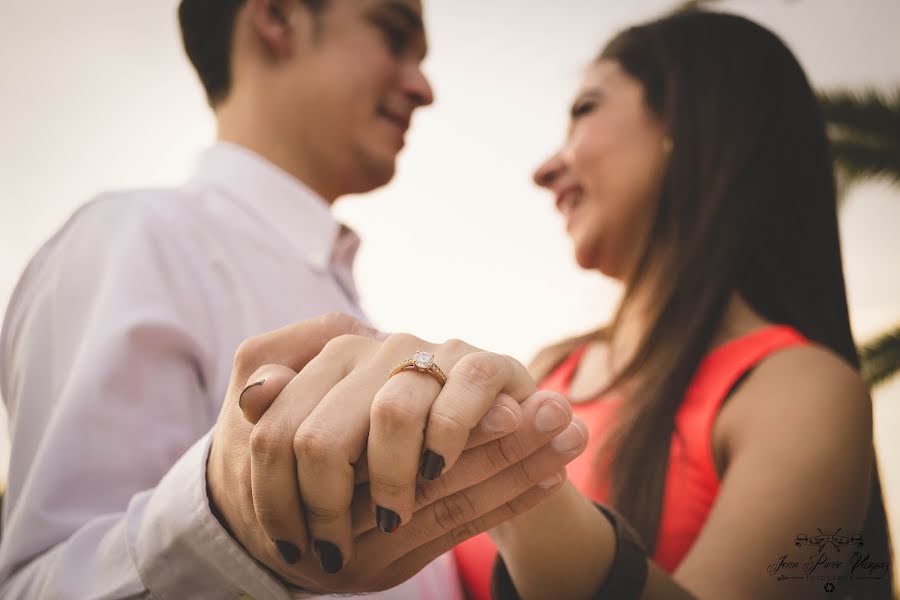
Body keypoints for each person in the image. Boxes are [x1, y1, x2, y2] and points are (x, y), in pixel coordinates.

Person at [250, 8, 895, 600]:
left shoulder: (808, 390)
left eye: (585, 109)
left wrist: (515, 477)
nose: (544, 169)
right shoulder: (554, 367)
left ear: (691, 126)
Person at [0, 0, 586, 598]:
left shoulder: (347, 299)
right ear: (277, 18)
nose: (423, 86)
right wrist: (218, 527)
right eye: (392, 34)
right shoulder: (130, 240)